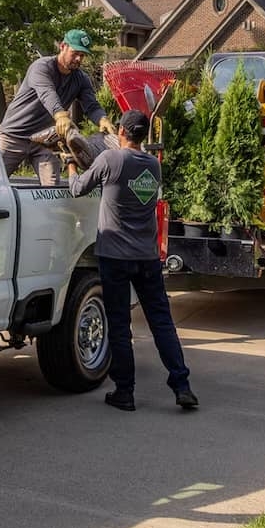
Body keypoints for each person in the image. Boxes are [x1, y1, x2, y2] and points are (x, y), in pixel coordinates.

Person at [67, 110, 197, 412]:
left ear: (122, 132)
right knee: (162, 322)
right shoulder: (153, 165)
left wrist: (70, 163)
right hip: (147, 257)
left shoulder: (112, 160)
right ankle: (182, 385)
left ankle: (124, 392)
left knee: (120, 324)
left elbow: (77, 188)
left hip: (114, 256)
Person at [0, 29, 115, 186]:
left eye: (82, 55)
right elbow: (47, 93)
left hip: (45, 140)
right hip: (13, 136)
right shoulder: (41, 67)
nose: (78, 59)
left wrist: (102, 119)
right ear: (63, 46)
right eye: (75, 53)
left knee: (51, 189)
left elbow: (91, 105)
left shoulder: (81, 79)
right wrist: (60, 115)